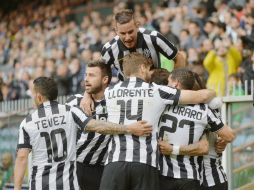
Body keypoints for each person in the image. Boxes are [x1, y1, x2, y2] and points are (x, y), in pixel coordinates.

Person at [100, 52, 217, 190]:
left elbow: (97, 121)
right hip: (144, 162)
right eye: (149, 69)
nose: (151, 74)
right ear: (143, 67)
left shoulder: (109, 92)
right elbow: (201, 96)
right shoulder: (157, 90)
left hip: (114, 161)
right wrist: (213, 93)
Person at [14, 77, 152, 190]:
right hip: (68, 184)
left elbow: (22, 157)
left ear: (38, 97)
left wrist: (17, 188)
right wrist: (129, 128)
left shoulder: (28, 122)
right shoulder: (70, 111)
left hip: (40, 184)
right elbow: (97, 126)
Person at [153, 69, 234, 190]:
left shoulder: (162, 104)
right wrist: (224, 140)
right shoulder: (205, 109)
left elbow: (204, 147)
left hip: (171, 175)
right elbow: (229, 135)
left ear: (176, 84)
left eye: (169, 82)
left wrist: (172, 149)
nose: (167, 85)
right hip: (192, 176)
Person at [101, 9, 185, 80]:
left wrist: (173, 82)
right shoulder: (109, 50)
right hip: (127, 91)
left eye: (130, 32)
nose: (127, 37)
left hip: (154, 87)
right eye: (123, 33)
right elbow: (101, 73)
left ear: (137, 26)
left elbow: (179, 58)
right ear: (116, 31)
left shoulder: (154, 38)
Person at [65, 60, 112, 190]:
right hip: (74, 165)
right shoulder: (74, 101)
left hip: (99, 169)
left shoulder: (114, 103)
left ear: (105, 79)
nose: (86, 79)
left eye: (92, 75)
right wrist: (86, 94)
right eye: (86, 75)